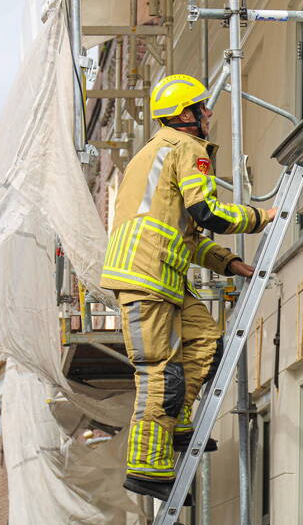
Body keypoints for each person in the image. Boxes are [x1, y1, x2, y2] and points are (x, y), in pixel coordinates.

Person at [101, 73, 277, 502]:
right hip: (147, 276)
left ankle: (178, 422)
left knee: (206, 340)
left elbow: (186, 233)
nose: (209, 113)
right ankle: (147, 467)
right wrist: (262, 217)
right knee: (159, 372)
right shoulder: (187, 148)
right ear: (185, 115)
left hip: (160, 273)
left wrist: (229, 263)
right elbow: (207, 212)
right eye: (202, 107)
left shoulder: (153, 153)